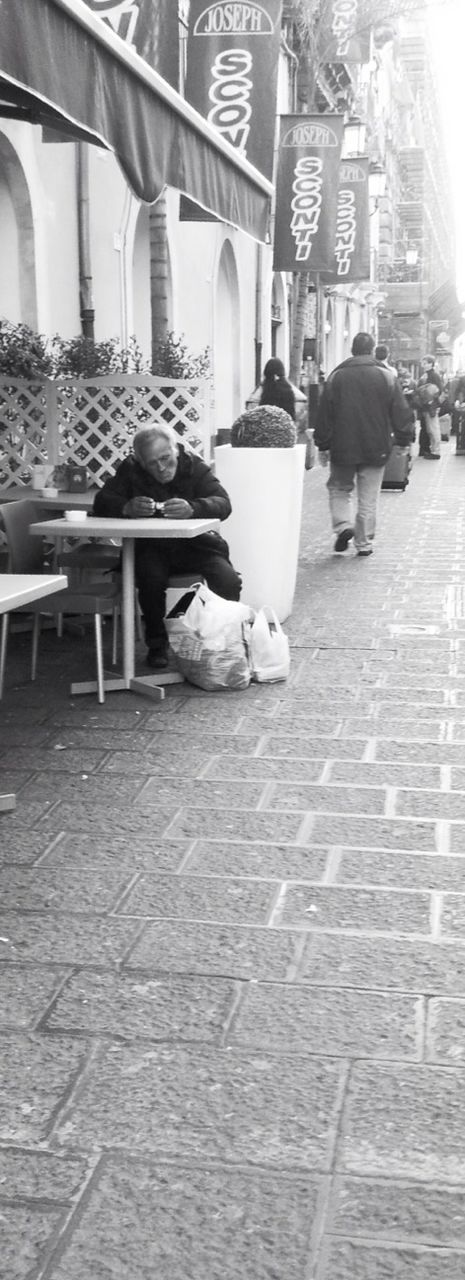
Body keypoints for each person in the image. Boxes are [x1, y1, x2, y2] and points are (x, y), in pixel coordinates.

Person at [93, 423, 241, 668]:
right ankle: (156, 645)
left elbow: (223, 503)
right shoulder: (130, 470)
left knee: (228, 581)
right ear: (140, 462)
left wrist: (193, 508)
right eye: (153, 463)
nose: (162, 468)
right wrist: (126, 506)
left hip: (197, 545)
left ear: (176, 450)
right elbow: (101, 502)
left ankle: (227, 640)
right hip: (152, 547)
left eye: (166, 458)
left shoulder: (194, 467)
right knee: (150, 581)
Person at [314, 331, 414, 557]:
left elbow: (325, 413)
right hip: (376, 445)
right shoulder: (387, 376)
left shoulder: (336, 377)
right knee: (369, 497)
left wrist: (323, 444)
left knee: (339, 489)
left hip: (342, 445)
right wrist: (404, 439)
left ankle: (343, 526)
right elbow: (401, 410)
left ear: (352, 349)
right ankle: (364, 543)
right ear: (372, 350)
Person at [415, 354, 443, 458]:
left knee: (433, 429)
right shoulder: (427, 375)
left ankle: (436, 451)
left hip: (430, 406)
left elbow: (438, 390)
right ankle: (430, 450)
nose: (423, 365)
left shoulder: (433, 376)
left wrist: (431, 401)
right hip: (427, 406)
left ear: (431, 364)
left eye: (425, 363)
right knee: (429, 429)